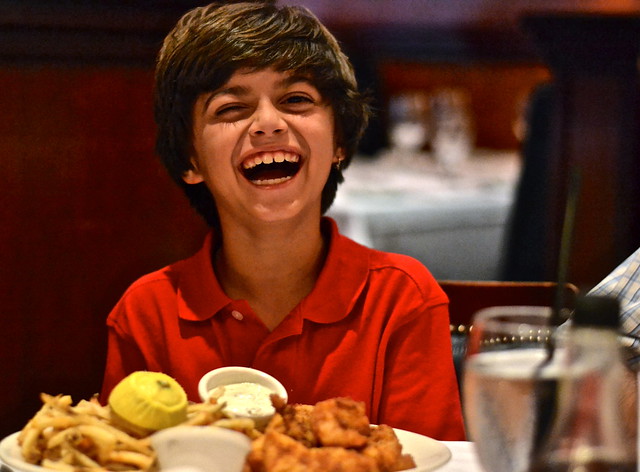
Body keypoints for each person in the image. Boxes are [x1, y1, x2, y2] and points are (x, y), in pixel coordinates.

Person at [99, 1, 465, 440]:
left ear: (339, 143)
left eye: (296, 100)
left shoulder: (401, 299)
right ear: (190, 159)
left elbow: (426, 462)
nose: (268, 124)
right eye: (231, 108)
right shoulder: (147, 312)